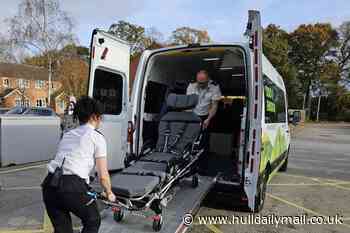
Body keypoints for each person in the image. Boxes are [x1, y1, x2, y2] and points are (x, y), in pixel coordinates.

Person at [41, 96, 115, 233]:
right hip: (71, 186)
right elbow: (103, 175)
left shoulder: (68, 134)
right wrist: (109, 192)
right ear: (94, 117)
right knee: (92, 220)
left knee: (62, 229)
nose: (101, 121)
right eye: (100, 117)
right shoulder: (97, 137)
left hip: (49, 185)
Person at [186, 70, 222, 174]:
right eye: (199, 82)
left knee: (203, 143)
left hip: (206, 115)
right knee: (190, 141)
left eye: (203, 82)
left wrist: (208, 119)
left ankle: (203, 168)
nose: (200, 84)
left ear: (208, 80)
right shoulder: (191, 86)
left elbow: (214, 106)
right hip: (193, 115)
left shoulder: (214, 87)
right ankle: (189, 168)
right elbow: (188, 103)